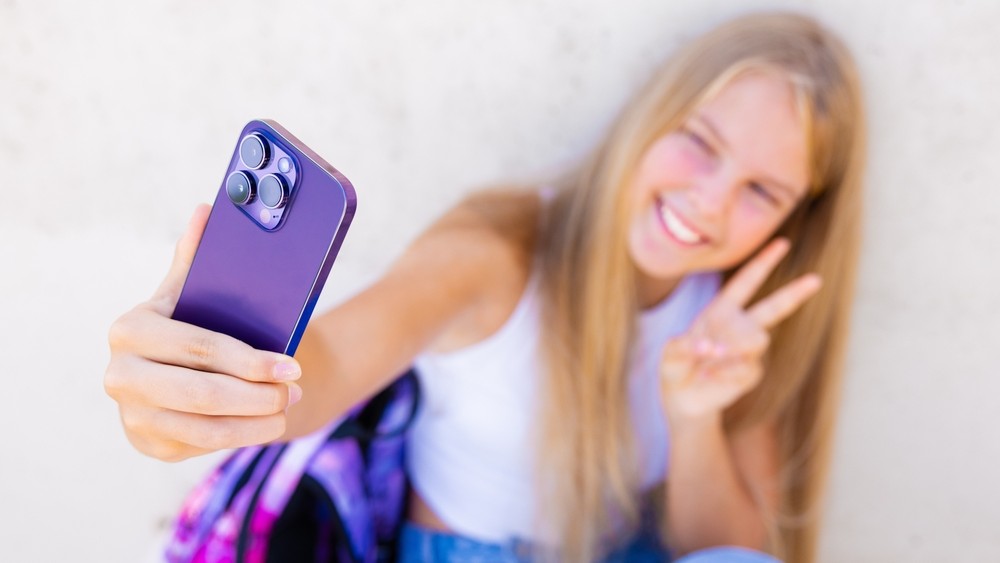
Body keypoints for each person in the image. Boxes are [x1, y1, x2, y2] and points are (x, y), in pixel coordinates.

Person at [105, 11, 865, 563]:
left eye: (763, 191)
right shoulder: (495, 256)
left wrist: (696, 414)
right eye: (701, 143)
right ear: (652, 118)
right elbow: (326, 365)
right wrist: (193, 393)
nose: (712, 201)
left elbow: (729, 550)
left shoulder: (730, 314)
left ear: (795, 222)